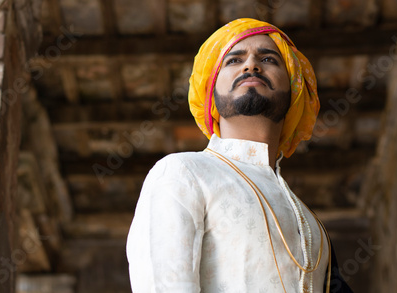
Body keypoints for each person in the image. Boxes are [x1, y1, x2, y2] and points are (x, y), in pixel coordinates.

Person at [126, 18, 353, 293]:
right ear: (211, 89)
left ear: (294, 87)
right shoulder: (183, 172)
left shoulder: (311, 224)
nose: (250, 65)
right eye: (233, 60)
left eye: (268, 59)